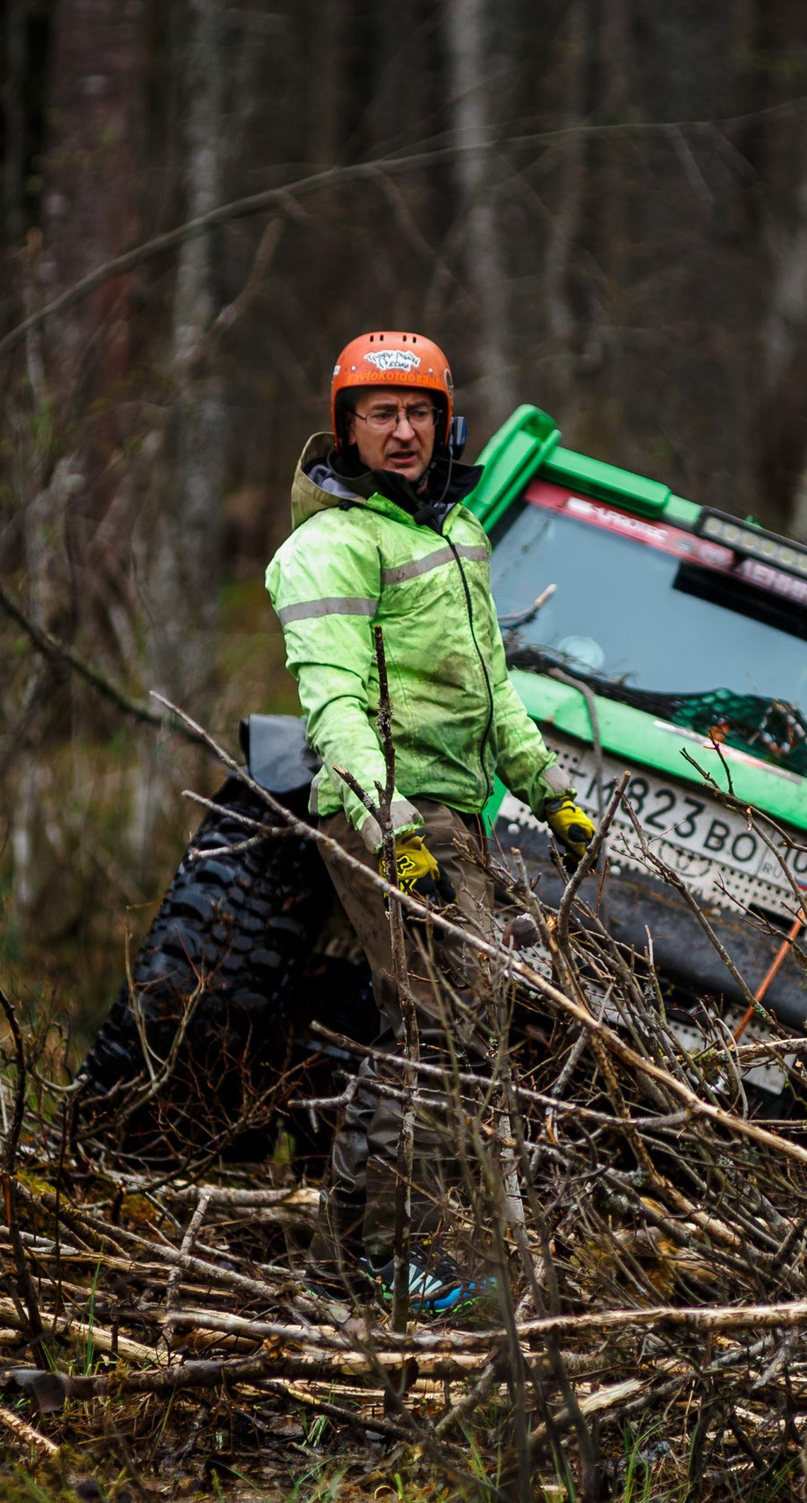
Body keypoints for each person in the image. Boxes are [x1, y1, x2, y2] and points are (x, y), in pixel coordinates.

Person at [263, 330, 596, 1310]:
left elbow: (492, 688)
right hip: (388, 814)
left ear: (445, 423)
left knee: (463, 1025)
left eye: (419, 413)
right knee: (437, 1029)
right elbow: (333, 708)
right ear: (347, 428)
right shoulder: (329, 545)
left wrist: (548, 790)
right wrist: (394, 827)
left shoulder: (456, 533)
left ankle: (374, 1259)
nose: (403, 431)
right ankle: (366, 1266)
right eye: (381, 414)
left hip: (455, 814)